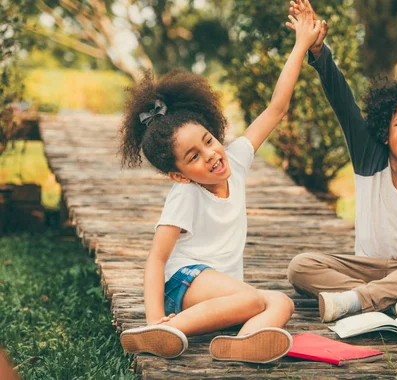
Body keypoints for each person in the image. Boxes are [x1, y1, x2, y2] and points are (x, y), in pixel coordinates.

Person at [118, 1, 322, 362]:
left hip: (220, 292)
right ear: (179, 174)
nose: (211, 155)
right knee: (253, 298)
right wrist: (153, 318)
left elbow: (277, 108)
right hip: (183, 282)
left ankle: (244, 342)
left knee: (281, 301)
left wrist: (300, 45)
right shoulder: (186, 193)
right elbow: (156, 260)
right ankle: (166, 330)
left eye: (209, 141)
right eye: (194, 156)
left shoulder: (237, 159)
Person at [286, 0, 397, 323]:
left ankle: (358, 300)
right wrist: (318, 52)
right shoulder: (370, 159)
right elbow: (343, 101)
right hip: (365, 269)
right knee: (300, 266)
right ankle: (392, 303)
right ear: (385, 133)